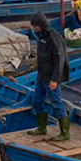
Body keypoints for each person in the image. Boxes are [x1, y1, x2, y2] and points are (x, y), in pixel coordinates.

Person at [28, 12, 69, 140]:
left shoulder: (53, 38)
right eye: (33, 26)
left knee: (57, 103)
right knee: (37, 102)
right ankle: (42, 128)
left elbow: (59, 59)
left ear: (41, 24)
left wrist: (55, 79)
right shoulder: (41, 37)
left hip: (51, 78)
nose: (34, 28)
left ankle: (65, 132)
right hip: (41, 76)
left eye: (36, 26)